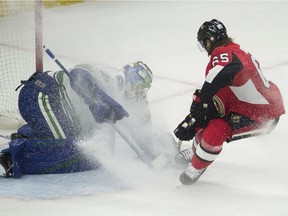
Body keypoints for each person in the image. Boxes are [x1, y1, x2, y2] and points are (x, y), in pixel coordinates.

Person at [0, 61, 166, 178]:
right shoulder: (109, 77)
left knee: (87, 151)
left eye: (144, 90)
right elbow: (78, 74)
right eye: (139, 87)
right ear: (130, 81)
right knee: (75, 151)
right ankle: (9, 159)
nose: (140, 93)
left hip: (51, 105)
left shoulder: (129, 98)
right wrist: (96, 101)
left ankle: (28, 136)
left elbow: (142, 127)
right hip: (41, 97)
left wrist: (159, 147)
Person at [173, 19, 285, 185]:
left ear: (209, 40)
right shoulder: (233, 51)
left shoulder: (224, 54)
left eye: (204, 42)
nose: (204, 48)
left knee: (216, 129)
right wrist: (196, 117)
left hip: (263, 115)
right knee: (208, 120)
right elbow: (223, 91)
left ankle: (198, 165)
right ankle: (198, 151)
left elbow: (220, 74)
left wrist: (201, 103)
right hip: (247, 105)